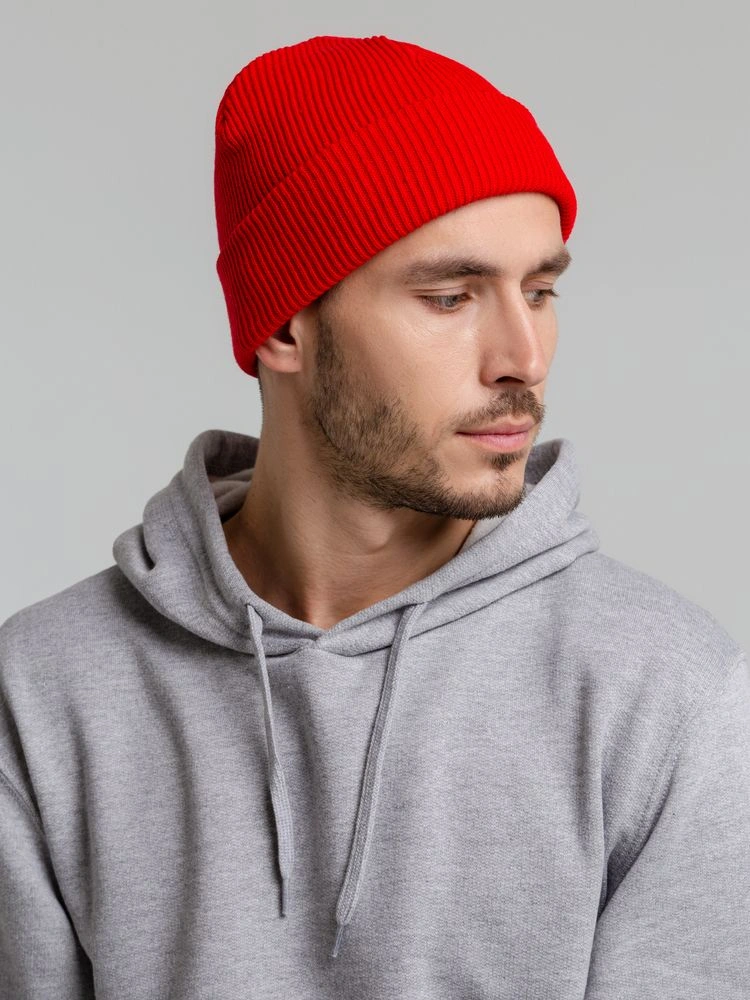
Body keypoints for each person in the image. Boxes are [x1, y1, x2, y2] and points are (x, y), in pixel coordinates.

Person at [0, 33, 747, 1000]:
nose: (524, 357)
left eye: (541, 291)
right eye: (450, 297)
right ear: (284, 323)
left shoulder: (672, 697)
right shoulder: (43, 691)